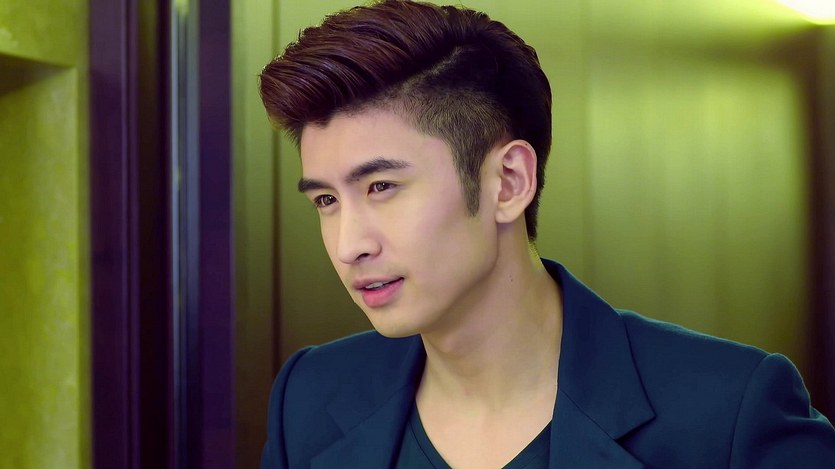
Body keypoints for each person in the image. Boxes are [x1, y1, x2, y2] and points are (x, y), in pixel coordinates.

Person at [257, 1, 835, 467]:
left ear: (509, 181)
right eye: (327, 201)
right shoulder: (310, 396)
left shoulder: (730, 412)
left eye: (382, 187)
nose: (348, 245)